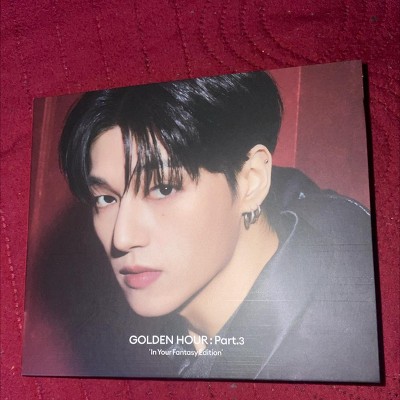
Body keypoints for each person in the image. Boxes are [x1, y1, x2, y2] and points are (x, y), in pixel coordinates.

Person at [59, 72, 380, 382]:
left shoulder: (318, 365)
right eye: (105, 198)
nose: (122, 238)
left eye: (164, 189)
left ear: (252, 182)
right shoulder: (310, 211)